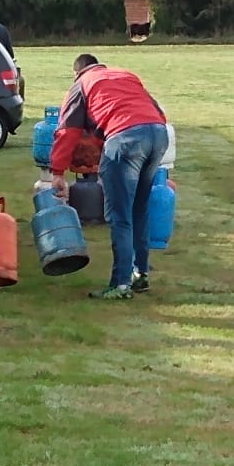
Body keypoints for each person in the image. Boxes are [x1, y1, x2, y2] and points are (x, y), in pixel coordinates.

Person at [49, 53, 169, 301]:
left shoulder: (82, 84)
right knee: (139, 209)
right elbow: (156, 111)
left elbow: (67, 131)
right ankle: (141, 273)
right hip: (157, 135)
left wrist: (58, 172)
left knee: (120, 216)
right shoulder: (125, 75)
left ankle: (120, 284)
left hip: (125, 140)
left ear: (76, 73)